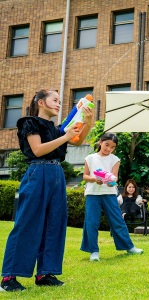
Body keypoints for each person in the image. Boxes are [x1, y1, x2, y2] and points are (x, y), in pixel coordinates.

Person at [1, 89, 93, 292]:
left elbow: (77, 139)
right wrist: (65, 136)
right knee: (27, 222)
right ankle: (8, 277)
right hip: (38, 171)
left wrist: (87, 121)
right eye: (55, 100)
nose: (59, 104)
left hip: (57, 174)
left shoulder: (55, 128)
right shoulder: (29, 123)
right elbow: (38, 150)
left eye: (60, 101)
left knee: (55, 224)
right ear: (41, 102)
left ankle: (45, 273)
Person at [80, 133, 143, 262]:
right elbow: (85, 176)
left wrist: (110, 181)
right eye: (106, 145)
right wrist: (94, 179)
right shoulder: (90, 158)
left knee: (117, 221)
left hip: (109, 193)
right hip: (92, 194)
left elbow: (115, 178)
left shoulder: (115, 159)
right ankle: (94, 251)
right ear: (100, 142)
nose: (108, 149)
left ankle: (129, 247)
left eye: (112, 147)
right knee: (91, 223)